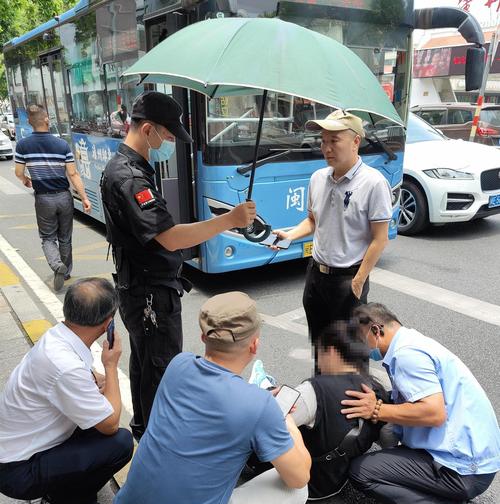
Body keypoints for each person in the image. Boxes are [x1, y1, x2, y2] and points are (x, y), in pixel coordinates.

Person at [114, 292, 310, 504]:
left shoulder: (178, 366)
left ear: (203, 336)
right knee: (295, 494)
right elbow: (299, 475)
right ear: (254, 346)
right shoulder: (258, 406)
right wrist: (285, 421)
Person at [101, 91, 256, 440]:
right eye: (168, 136)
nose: (169, 143)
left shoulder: (131, 167)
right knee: (161, 370)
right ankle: (160, 444)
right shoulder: (130, 178)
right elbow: (168, 237)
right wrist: (229, 220)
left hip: (138, 288)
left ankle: (142, 430)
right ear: (147, 129)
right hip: (150, 294)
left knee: (144, 363)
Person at [342, 303, 500, 504]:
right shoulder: (412, 342)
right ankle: (437, 489)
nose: (361, 349)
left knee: (362, 472)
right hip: (477, 456)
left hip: (467, 469)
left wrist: (377, 410)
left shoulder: (406, 356)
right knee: (389, 428)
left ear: (375, 330)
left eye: (360, 340)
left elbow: (433, 413)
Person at [0, 278, 133, 504]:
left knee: (99, 421)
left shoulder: (57, 337)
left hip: (16, 449)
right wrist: (111, 365)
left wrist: (100, 380)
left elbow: (88, 377)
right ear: (108, 323)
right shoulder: (65, 366)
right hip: (17, 471)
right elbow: (110, 424)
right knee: (120, 442)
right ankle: (61, 501)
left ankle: (66, 482)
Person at [273, 110, 392, 343]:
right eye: (323, 141)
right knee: (321, 348)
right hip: (315, 276)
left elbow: (380, 238)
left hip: (348, 279)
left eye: (334, 141)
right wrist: (289, 236)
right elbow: (313, 220)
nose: (327, 148)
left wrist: (358, 281)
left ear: (356, 141)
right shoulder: (317, 178)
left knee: (350, 355)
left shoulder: (374, 183)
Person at [246, 321, 389, 500]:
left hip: (302, 484)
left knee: (265, 412)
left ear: (330, 350)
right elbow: (387, 437)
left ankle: (261, 387)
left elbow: (266, 427)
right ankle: (265, 387)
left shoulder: (315, 390)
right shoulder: (376, 393)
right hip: (335, 481)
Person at [15, 104, 92, 291]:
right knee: (65, 237)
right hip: (64, 197)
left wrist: (26, 179)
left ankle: (57, 265)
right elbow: (73, 174)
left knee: (48, 238)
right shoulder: (62, 145)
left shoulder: (23, 145)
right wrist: (84, 198)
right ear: (47, 120)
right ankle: (65, 272)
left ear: (30, 122)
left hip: (43, 199)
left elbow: (18, 172)